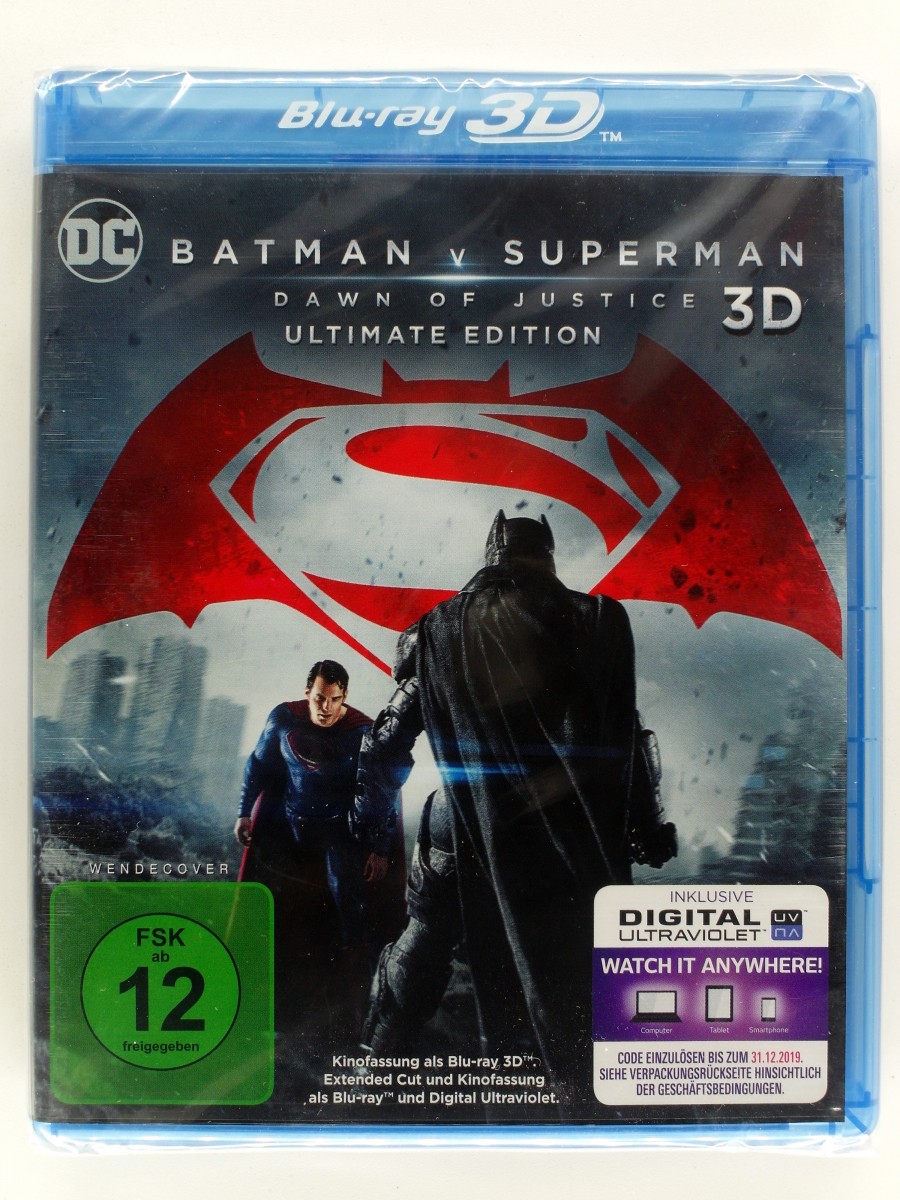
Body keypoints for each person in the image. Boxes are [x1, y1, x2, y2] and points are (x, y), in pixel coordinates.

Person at [353, 512, 676, 1112]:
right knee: (569, 974)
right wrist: (647, 825)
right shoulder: (594, 620)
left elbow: (383, 744)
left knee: (424, 945)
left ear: (492, 554)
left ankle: (372, 1072)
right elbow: (626, 737)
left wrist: (369, 826)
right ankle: (577, 1102)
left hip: (463, 823)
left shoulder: (439, 628)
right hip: (563, 833)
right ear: (547, 556)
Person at [235, 659, 403, 1039]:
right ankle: (260, 989)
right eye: (318, 698)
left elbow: (383, 795)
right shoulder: (284, 719)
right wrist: (244, 812)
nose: (325, 708)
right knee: (269, 901)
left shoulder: (363, 733)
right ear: (307, 691)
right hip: (290, 822)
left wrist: (379, 848)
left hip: (337, 832)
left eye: (334, 699)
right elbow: (258, 765)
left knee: (349, 908)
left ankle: (353, 997)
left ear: (344, 697)